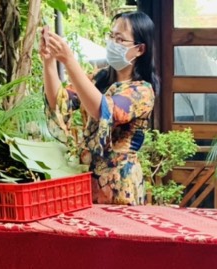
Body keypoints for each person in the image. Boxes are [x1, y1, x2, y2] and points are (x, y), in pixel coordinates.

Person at [41, 13, 156, 205]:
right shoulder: (98, 79)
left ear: (140, 49)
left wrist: (69, 60)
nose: (113, 43)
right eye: (111, 36)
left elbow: (104, 111)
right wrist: (49, 62)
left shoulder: (142, 91)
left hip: (120, 185)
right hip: (87, 180)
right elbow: (60, 103)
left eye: (120, 39)